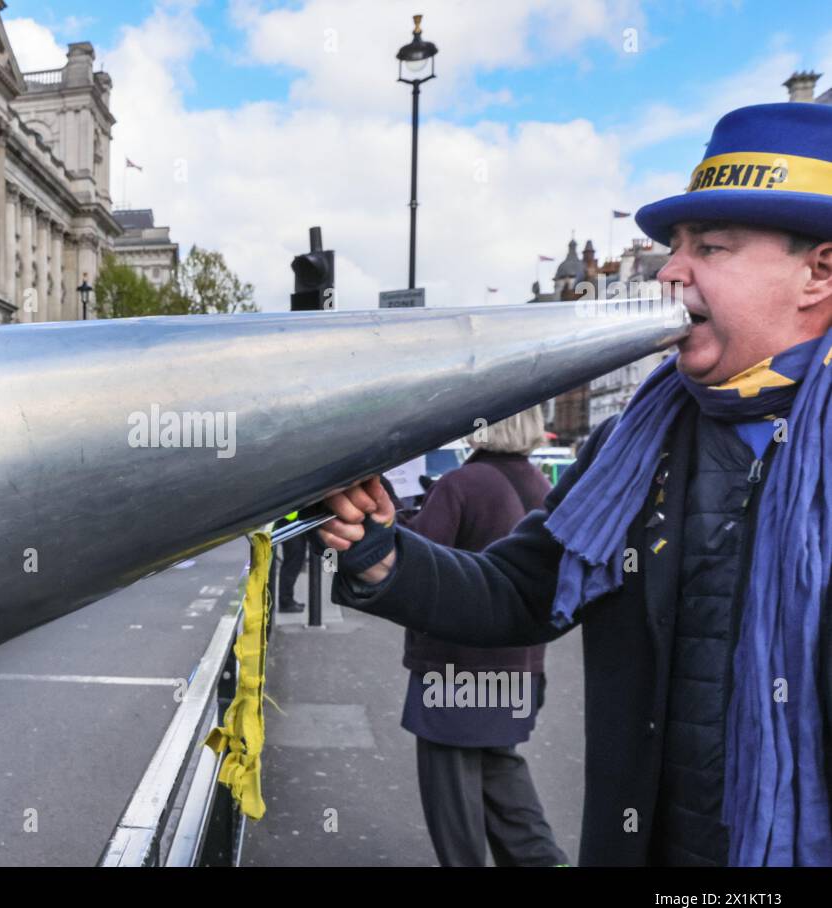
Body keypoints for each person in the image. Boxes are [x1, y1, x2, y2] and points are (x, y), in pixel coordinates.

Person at [321, 103, 832, 867]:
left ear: (818, 271)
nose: (669, 272)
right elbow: (519, 591)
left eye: (710, 247)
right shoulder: (638, 441)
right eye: (674, 248)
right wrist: (383, 553)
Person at [389, 407, 567, 867]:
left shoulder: (461, 485)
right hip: (520, 666)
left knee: (453, 807)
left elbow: (417, 566)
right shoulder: (542, 486)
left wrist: (394, 515)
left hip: (455, 670)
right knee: (504, 786)